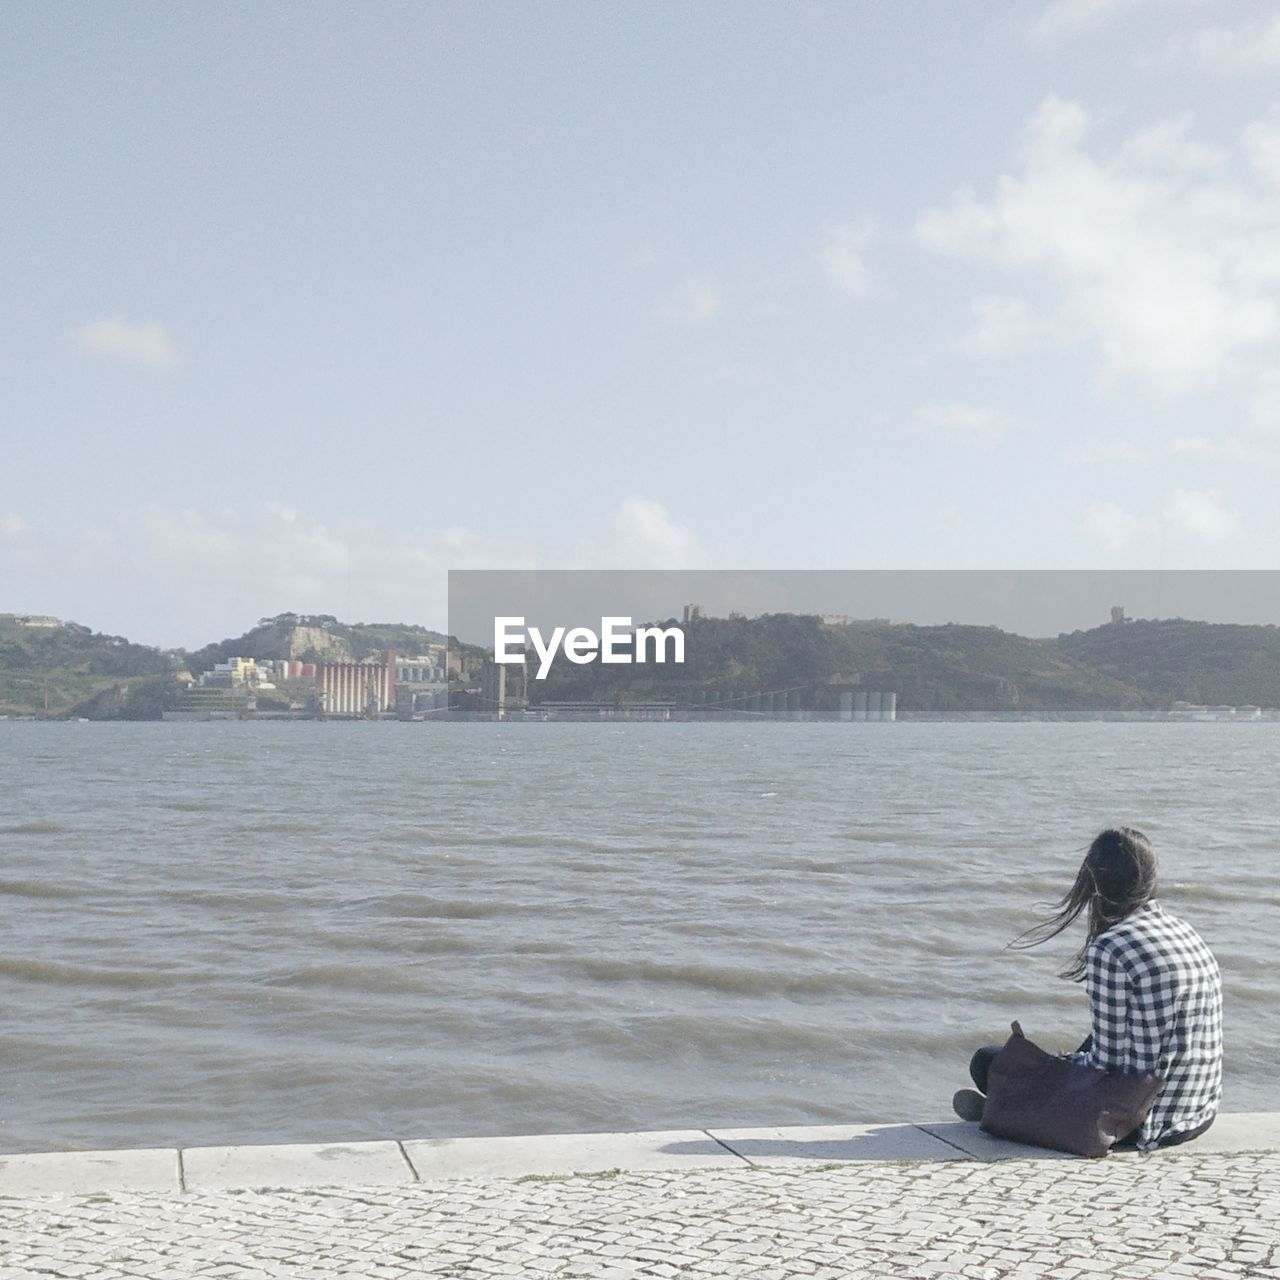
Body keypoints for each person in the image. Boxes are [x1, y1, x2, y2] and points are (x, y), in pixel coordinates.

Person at [952, 827, 1222, 1152]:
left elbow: (1106, 1066)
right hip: (1198, 1113)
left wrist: (1069, 1063)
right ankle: (1019, 1109)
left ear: (1096, 881)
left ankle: (1015, 1116)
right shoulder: (1184, 930)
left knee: (986, 1061)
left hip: (1140, 1122)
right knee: (1086, 1044)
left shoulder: (1111, 948)